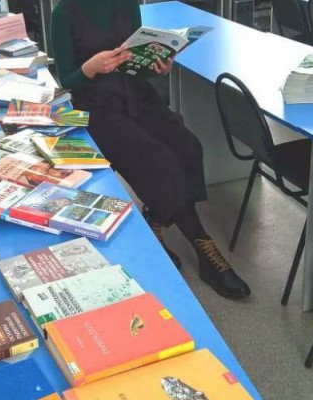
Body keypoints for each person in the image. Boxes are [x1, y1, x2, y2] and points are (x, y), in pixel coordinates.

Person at [51, 0, 250, 299]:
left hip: (136, 95)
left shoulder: (127, 4)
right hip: (96, 107)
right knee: (159, 160)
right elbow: (67, 80)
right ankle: (203, 247)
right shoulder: (63, 13)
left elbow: (138, 65)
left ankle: (156, 217)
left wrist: (160, 67)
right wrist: (89, 68)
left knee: (189, 148)